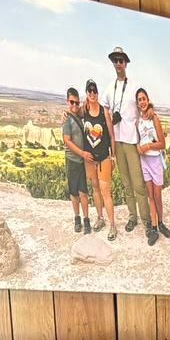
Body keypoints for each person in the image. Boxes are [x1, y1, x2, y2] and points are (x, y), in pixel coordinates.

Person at [106, 46, 148, 235]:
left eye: (121, 60)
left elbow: (144, 108)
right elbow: (102, 111)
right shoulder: (109, 88)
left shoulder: (134, 86)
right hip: (118, 142)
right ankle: (133, 216)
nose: (118, 63)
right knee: (126, 183)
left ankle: (147, 220)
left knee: (138, 183)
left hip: (131, 141)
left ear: (126, 63)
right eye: (115, 60)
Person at [133, 87, 170, 246]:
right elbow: (137, 140)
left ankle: (161, 223)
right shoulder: (138, 121)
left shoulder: (153, 118)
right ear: (137, 103)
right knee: (150, 196)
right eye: (139, 100)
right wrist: (138, 148)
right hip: (144, 162)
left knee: (157, 196)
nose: (142, 102)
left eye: (144, 99)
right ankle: (154, 228)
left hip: (155, 161)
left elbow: (162, 143)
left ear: (147, 100)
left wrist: (148, 146)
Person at [78, 80, 115, 237]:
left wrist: (113, 156)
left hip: (104, 158)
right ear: (86, 93)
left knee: (105, 190)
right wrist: (65, 112)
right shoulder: (83, 110)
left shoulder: (103, 112)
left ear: (97, 93)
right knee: (95, 189)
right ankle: (100, 218)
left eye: (94, 91)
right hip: (89, 159)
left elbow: (112, 136)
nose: (92, 93)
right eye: (89, 91)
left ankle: (113, 224)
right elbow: (73, 112)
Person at [59, 88, 91, 233]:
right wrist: (82, 154)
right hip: (73, 160)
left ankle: (86, 219)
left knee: (83, 191)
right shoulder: (67, 120)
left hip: (81, 160)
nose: (74, 105)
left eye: (76, 102)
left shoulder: (78, 114)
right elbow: (67, 141)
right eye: (72, 102)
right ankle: (77, 219)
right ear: (67, 101)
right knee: (74, 192)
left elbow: (87, 107)